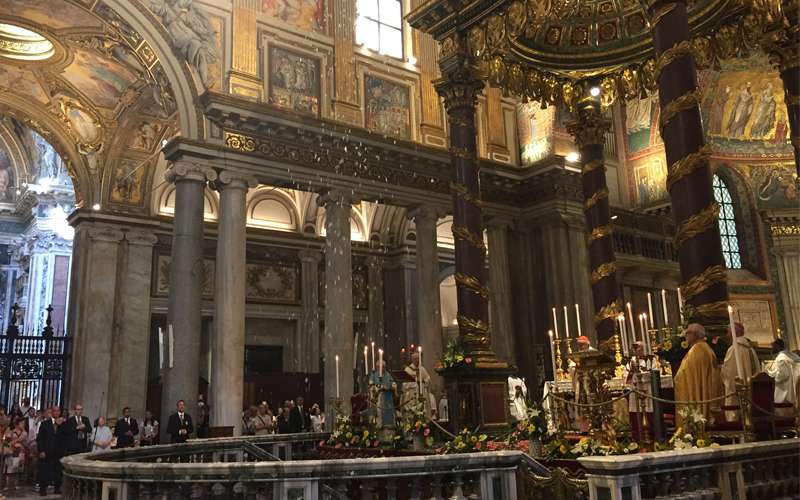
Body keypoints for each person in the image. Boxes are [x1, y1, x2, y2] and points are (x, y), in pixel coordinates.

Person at [674, 323, 723, 428]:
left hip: (699, 397)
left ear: (695, 335)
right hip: (707, 395)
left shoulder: (696, 351)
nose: (685, 336)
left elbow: (683, 375)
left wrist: (677, 379)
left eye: (688, 333)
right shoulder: (706, 348)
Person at [721, 322, 760, 421]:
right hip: (752, 390)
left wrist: (720, 370)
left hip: (738, 391)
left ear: (733, 333)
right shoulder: (751, 349)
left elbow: (728, 373)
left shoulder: (734, 349)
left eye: (728, 332)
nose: (727, 335)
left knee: (735, 409)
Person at [766, 338, 800, 416]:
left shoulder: (781, 358)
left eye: (773, 347)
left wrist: (770, 374)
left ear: (777, 346)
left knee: (781, 412)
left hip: (784, 390)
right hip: (793, 387)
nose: (772, 349)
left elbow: (783, 375)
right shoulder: (791, 355)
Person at [37, 406, 65, 496]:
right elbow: (40, 439)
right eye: (54, 411)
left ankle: (57, 488)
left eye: (58, 411)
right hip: (47, 451)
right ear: (51, 412)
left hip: (58, 451)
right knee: (45, 470)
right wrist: (41, 450)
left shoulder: (63, 424)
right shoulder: (45, 424)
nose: (56, 413)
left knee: (58, 471)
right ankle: (43, 489)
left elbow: (66, 437)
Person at [401, 352, 432, 417]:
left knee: (423, 409)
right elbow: (404, 384)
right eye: (416, 359)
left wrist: (423, 381)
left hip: (421, 393)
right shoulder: (408, 370)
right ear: (412, 359)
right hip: (411, 394)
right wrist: (415, 384)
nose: (417, 360)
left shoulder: (422, 369)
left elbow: (428, 379)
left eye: (418, 358)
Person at [369, 360, 397, 427]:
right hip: (377, 397)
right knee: (378, 413)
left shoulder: (388, 375)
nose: (382, 368)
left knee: (388, 414)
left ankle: (388, 426)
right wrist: (377, 388)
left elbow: (393, 384)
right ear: (377, 367)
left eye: (384, 367)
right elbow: (371, 385)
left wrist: (389, 386)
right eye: (380, 367)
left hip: (387, 397)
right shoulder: (374, 375)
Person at [4, 418, 27, 491]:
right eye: (22, 423)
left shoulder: (24, 433)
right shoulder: (11, 431)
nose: (23, 425)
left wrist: (18, 441)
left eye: (24, 423)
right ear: (17, 423)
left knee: (17, 469)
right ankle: (7, 485)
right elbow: (6, 442)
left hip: (20, 451)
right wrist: (11, 443)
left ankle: (16, 484)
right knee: (9, 469)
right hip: (11, 451)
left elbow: (25, 442)